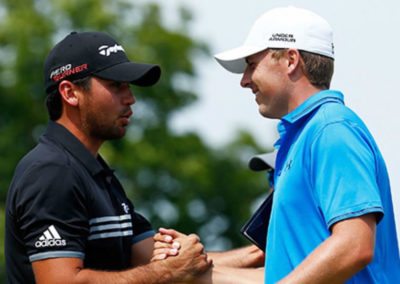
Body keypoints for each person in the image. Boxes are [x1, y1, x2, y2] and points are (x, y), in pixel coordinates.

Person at [5, 31, 212, 284]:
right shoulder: (51, 171)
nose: (130, 98)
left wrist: (259, 254)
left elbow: (165, 260)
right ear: (70, 93)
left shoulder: (95, 172)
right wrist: (169, 271)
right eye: (116, 85)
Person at [213, 6, 400, 283]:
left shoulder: (331, 128)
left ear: (290, 60)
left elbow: (355, 246)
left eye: (252, 65)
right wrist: (194, 274)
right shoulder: (310, 134)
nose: (244, 80)